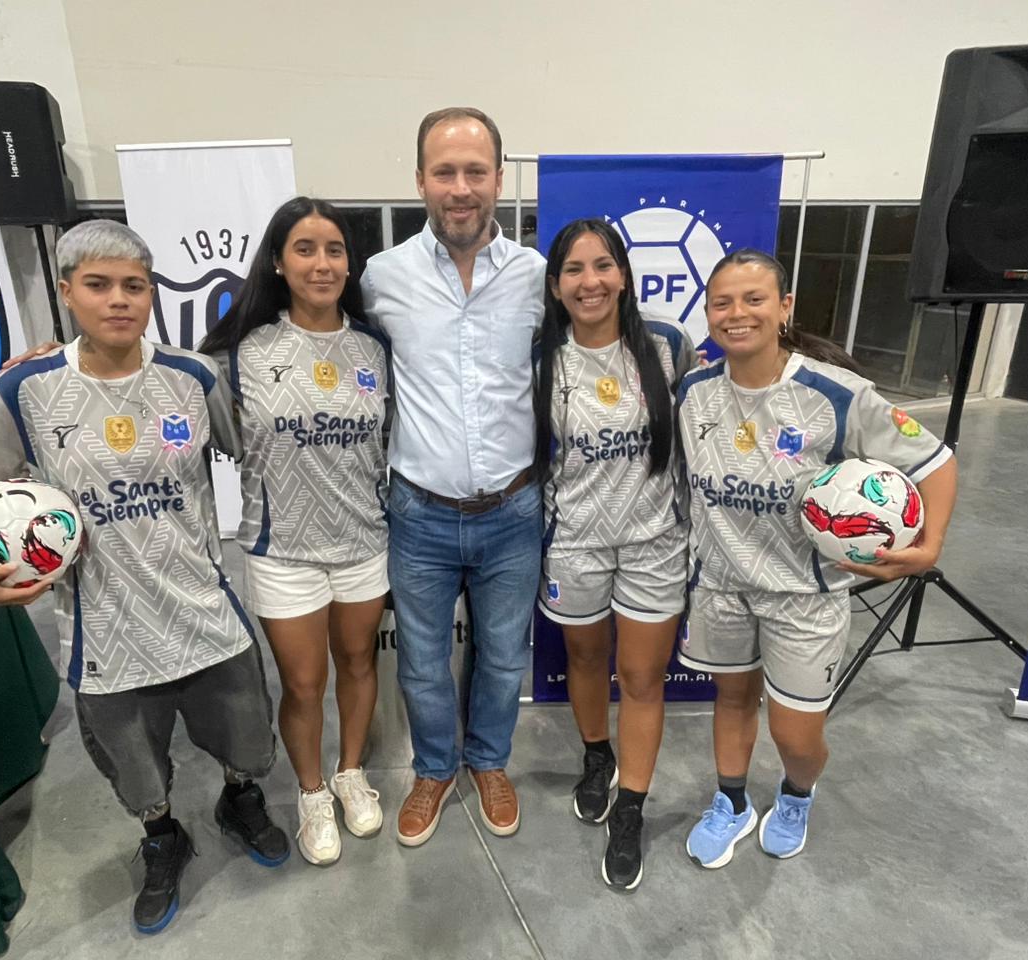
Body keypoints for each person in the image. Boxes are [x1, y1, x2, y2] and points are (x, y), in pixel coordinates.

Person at [0, 220, 288, 935]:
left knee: (247, 740)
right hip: (106, 629)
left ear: (151, 294)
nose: (118, 299)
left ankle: (240, 799)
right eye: (98, 285)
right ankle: (162, 836)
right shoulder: (25, 389)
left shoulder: (191, 377)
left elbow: (263, 444)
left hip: (203, 609)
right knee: (135, 768)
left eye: (133, 285)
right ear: (65, 293)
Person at [676, 248, 958, 867]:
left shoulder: (837, 393)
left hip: (803, 597)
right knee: (730, 701)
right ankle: (732, 803)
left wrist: (928, 545)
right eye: (721, 302)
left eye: (754, 299)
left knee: (795, 735)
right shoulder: (692, 392)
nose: (736, 313)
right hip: (721, 587)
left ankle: (797, 792)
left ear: (784, 307)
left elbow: (935, 461)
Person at [360, 107, 545, 846]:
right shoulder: (381, 277)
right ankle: (435, 769)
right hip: (421, 514)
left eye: (476, 171)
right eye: (445, 172)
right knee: (424, 663)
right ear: (419, 181)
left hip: (514, 513)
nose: (460, 188)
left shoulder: (535, 276)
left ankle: (489, 761)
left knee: (504, 656)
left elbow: (609, 337)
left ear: (499, 179)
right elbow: (305, 326)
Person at [199, 197, 389, 866]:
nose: (322, 262)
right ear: (278, 261)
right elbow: (152, 386)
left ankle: (350, 771)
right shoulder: (236, 353)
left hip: (365, 539)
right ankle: (312, 793)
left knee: (360, 664)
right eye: (305, 249)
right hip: (283, 549)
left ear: (349, 262)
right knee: (304, 684)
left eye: (334, 249)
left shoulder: (374, 345)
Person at [533, 219, 695, 889]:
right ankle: (597, 756)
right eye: (574, 269)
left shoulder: (667, 346)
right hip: (574, 541)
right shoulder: (542, 357)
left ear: (624, 275)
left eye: (603, 266)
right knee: (586, 659)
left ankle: (631, 805)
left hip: (655, 542)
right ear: (555, 284)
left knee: (643, 678)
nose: (590, 280)